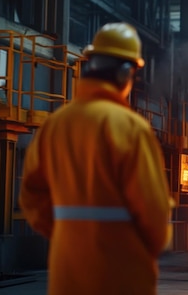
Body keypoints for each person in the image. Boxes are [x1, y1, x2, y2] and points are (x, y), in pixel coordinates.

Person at [19, 22, 173, 295]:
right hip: (121, 277)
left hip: (67, 275)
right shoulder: (129, 128)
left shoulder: (54, 126)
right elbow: (154, 212)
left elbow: (32, 196)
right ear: (127, 72)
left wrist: (69, 234)